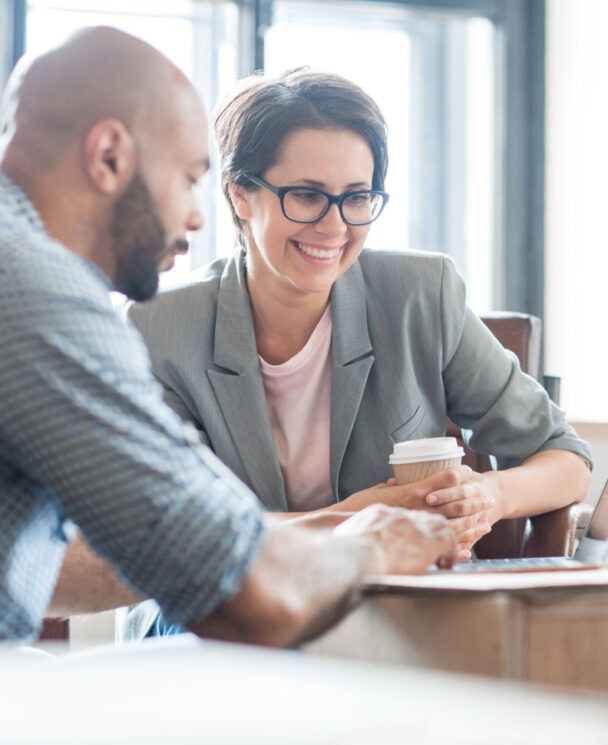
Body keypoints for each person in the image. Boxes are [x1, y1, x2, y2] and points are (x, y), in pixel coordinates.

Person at [0, 27, 459, 645]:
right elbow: (246, 599)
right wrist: (371, 546)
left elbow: (51, 570)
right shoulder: (37, 292)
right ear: (109, 155)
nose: (194, 217)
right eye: (189, 178)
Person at [125, 67, 592, 638]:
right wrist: (360, 520)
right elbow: (178, 537)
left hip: (390, 607)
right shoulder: (159, 328)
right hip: (218, 606)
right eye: (307, 196)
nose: (334, 226)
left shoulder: (420, 294)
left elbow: (564, 458)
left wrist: (487, 496)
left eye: (357, 198)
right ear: (241, 194)